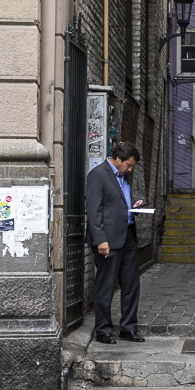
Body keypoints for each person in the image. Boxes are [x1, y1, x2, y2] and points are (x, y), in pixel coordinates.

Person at [85, 141, 146, 344]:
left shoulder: (123, 176)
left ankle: (128, 328)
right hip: (108, 240)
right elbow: (94, 211)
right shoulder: (98, 174)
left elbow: (119, 201)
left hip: (128, 235)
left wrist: (134, 203)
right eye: (128, 165)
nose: (130, 169)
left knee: (131, 285)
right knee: (106, 286)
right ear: (117, 159)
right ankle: (103, 330)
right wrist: (100, 239)